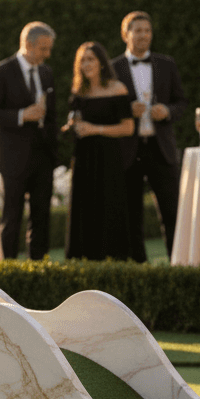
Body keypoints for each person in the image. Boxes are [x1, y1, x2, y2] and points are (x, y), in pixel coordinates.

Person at [110, 11, 188, 262]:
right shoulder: (112, 69)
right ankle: (139, 266)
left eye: (147, 30)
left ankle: (178, 263)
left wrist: (167, 111)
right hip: (127, 150)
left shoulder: (167, 64)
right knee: (131, 213)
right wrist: (126, 111)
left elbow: (181, 102)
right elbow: (104, 109)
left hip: (160, 148)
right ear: (126, 34)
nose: (143, 35)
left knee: (172, 210)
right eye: (138, 30)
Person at [0, 21, 59, 260]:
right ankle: (8, 268)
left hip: (42, 155)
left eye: (49, 49)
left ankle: (39, 266)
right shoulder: (2, 71)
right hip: (13, 156)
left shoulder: (46, 73)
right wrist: (21, 115)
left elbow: (52, 114)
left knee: (41, 215)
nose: (47, 54)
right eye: (43, 49)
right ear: (27, 44)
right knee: (12, 215)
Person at [63, 42, 135, 261]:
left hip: (109, 157)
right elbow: (75, 122)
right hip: (84, 156)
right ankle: (86, 254)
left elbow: (128, 128)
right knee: (84, 204)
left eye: (91, 59)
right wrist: (71, 126)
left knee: (110, 203)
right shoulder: (78, 91)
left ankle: (115, 254)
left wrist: (96, 129)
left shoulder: (117, 88)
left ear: (102, 62)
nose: (86, 64)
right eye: (82, 60)